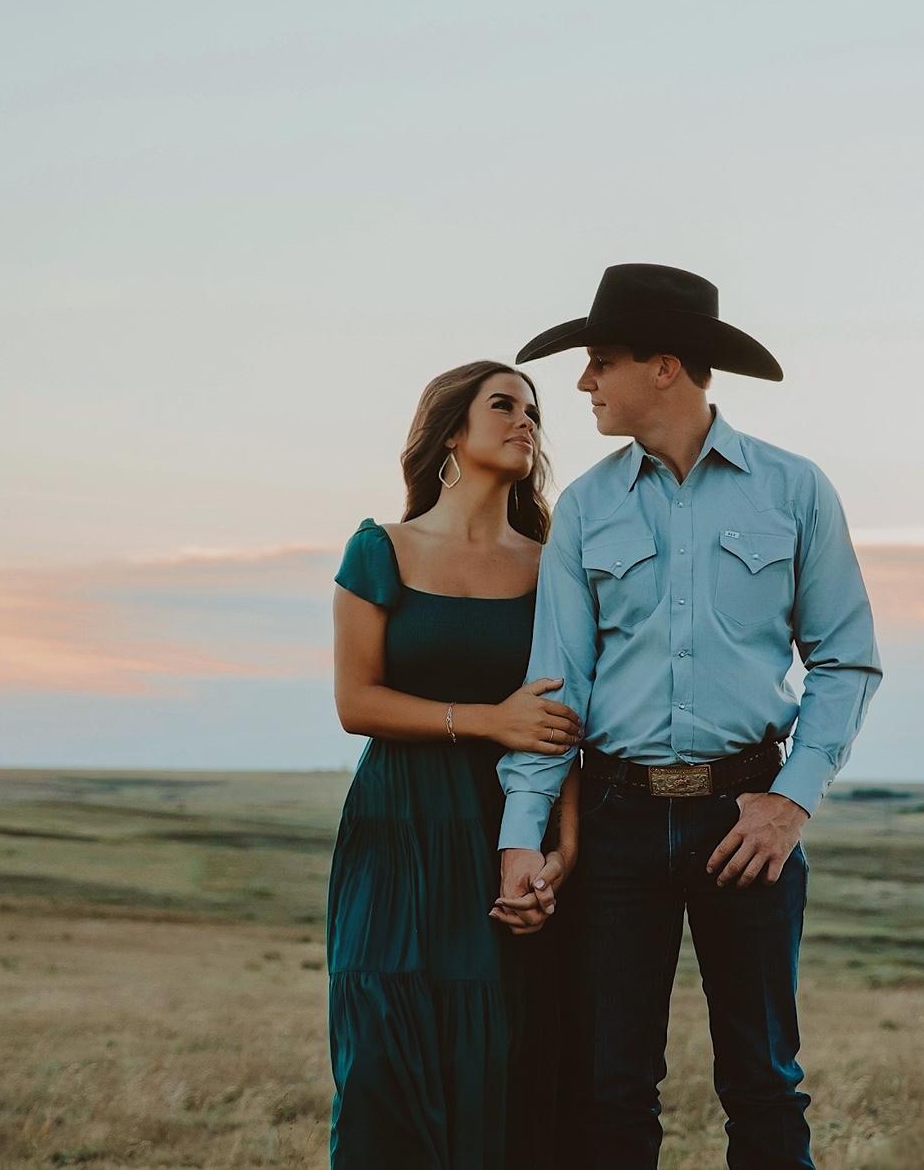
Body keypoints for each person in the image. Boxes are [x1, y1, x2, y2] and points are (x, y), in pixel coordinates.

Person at [492, 264, 882, 1169]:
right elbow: (555, 694)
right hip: (617, 822)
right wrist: (521, 836)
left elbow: (847, 659)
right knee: (611, 1085)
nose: (583, 383)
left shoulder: (794, 490)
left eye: (601, 361)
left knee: (763, 1081)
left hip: (745, 818)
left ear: (664, 366)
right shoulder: (585, 508)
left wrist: (790, 802)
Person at [326, 360, 581, 1170]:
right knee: (382, 1053)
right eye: (502, 405)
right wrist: (487, 720)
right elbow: (356, 702)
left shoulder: (554, 567)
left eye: (532, 411)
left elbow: (573, 721)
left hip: (507, 828)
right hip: (396, 829)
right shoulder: (381, 550)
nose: (524, 421)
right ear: (449, 433)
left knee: (503, 1056)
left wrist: (564, 850)